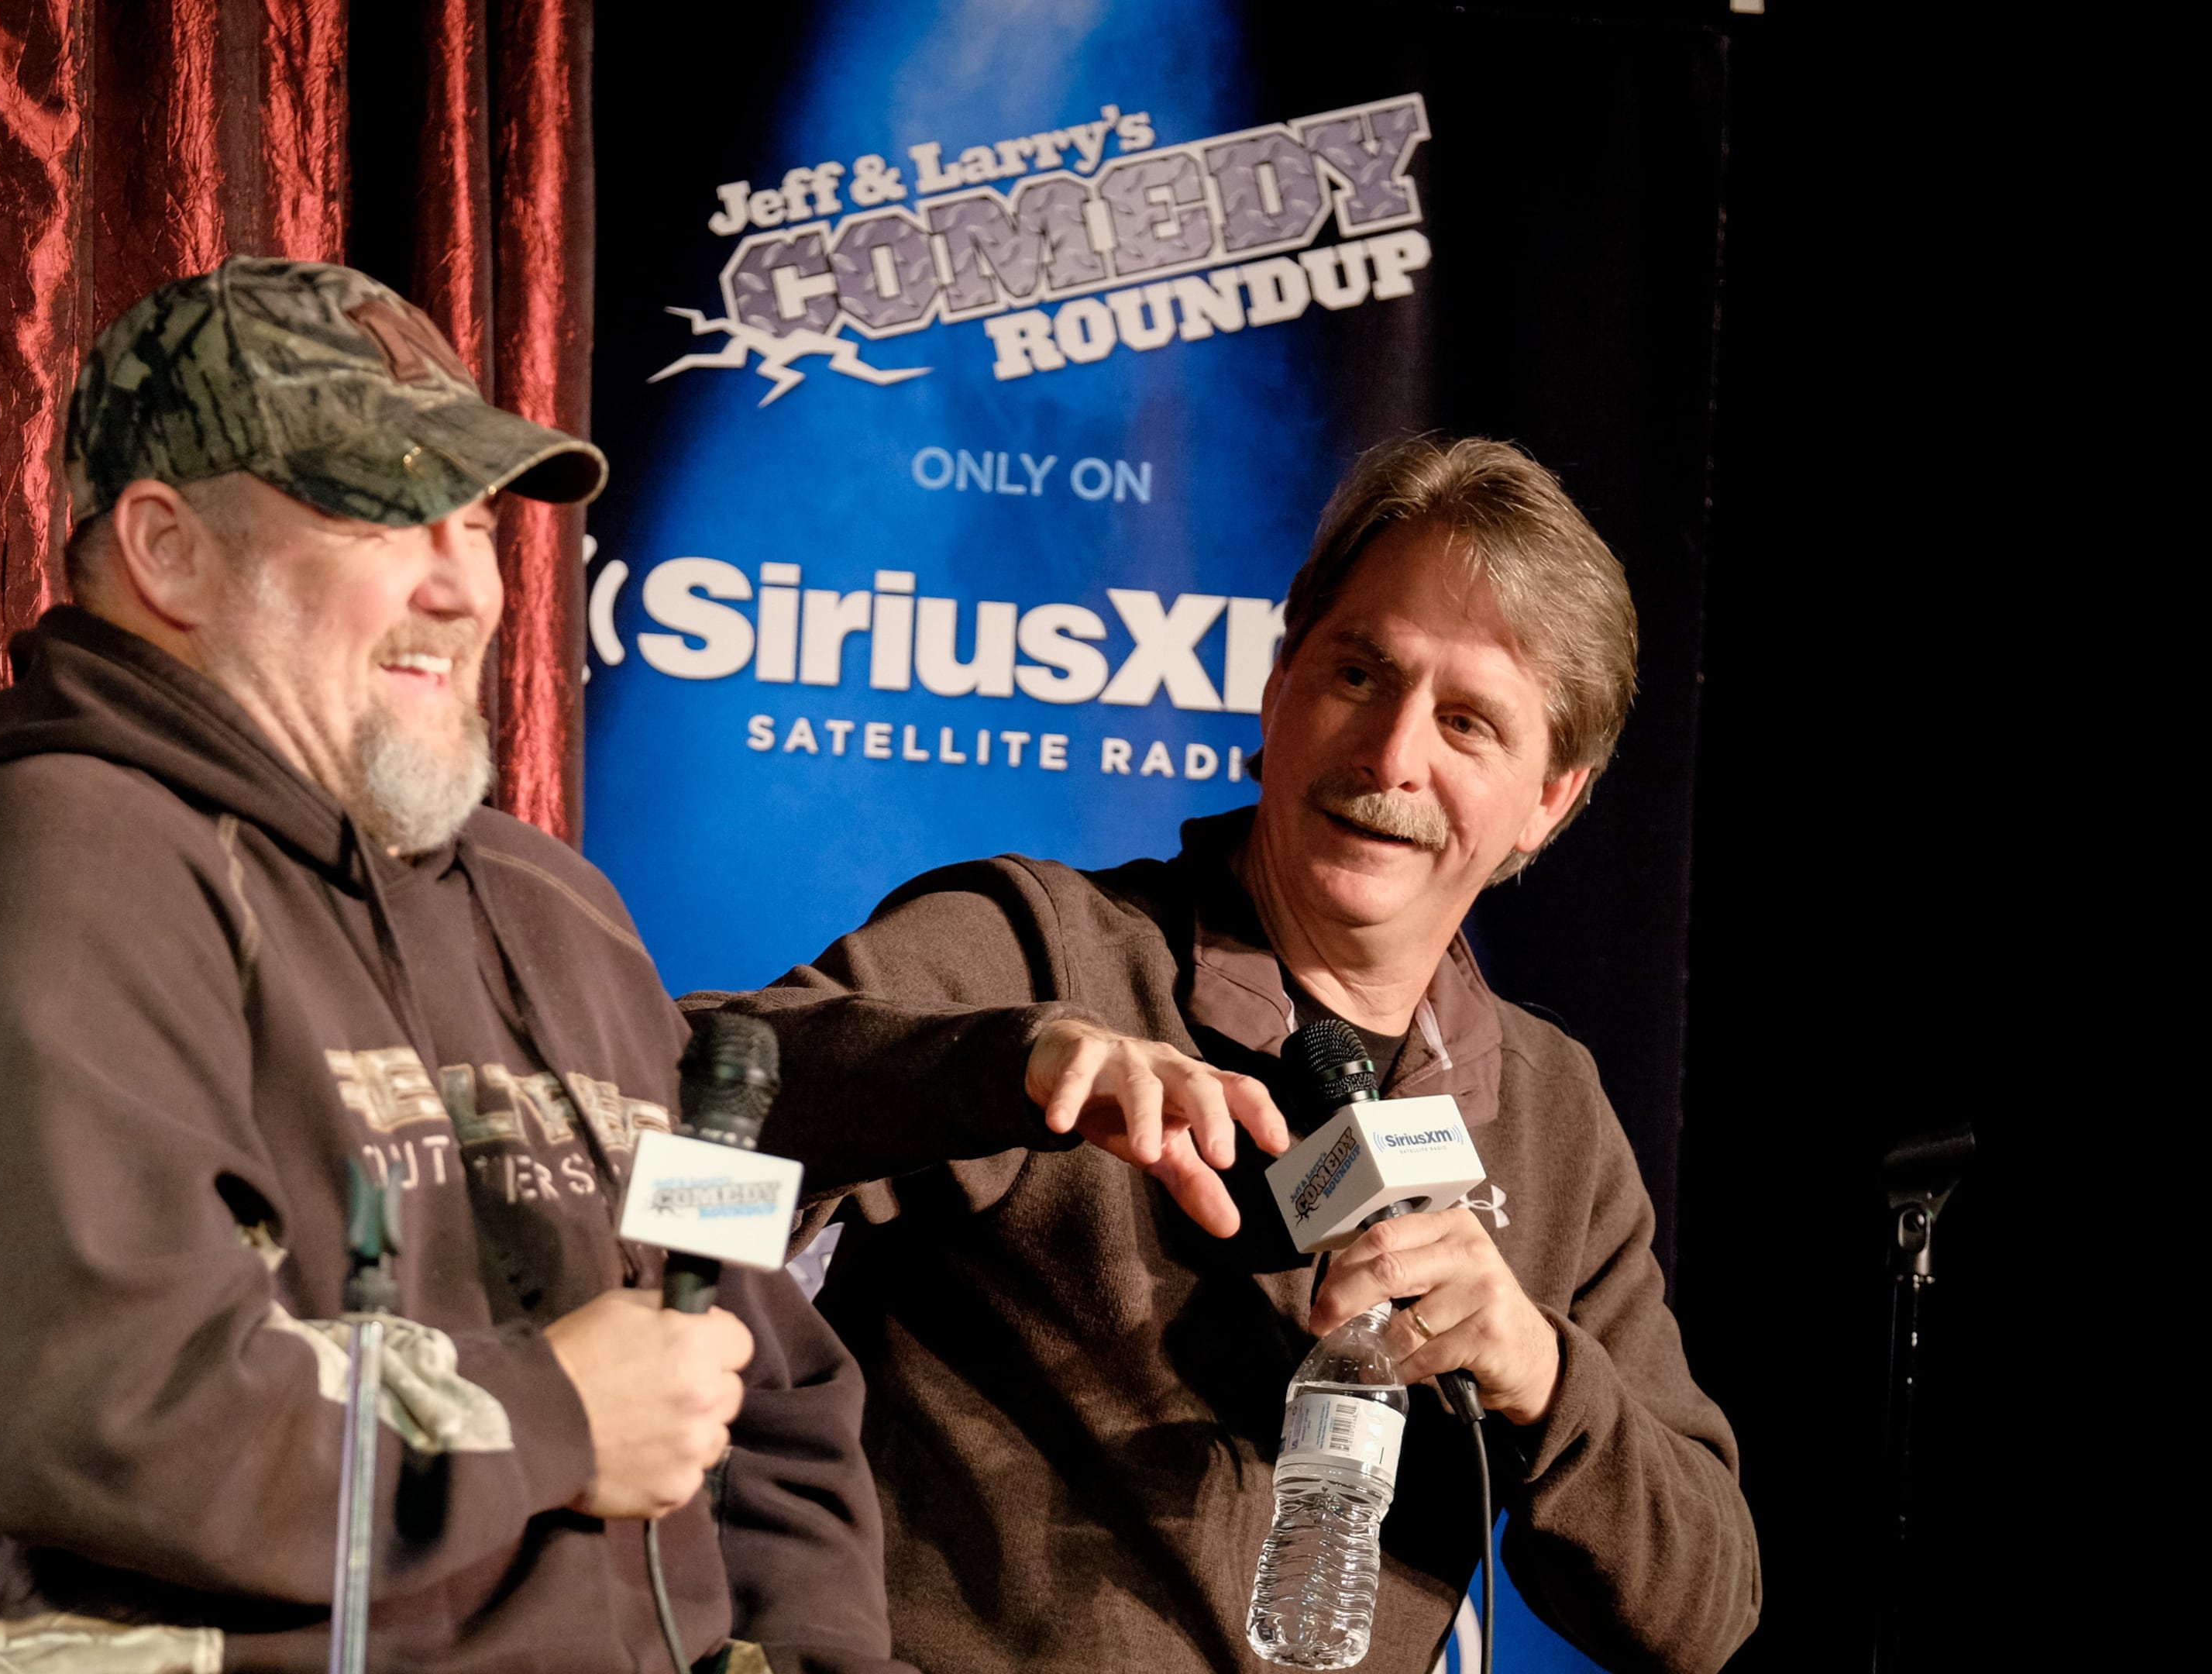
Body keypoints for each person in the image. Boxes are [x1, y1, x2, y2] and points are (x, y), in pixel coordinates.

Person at [0, 258, 903, 1674]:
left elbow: (773, 1368)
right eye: (386, 513)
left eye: (474, 520)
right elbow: (101, 1410)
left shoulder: (565, 912)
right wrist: (557, 1419)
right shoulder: (43, 868)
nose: (464, 587)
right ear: (167, 551)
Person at [690, 437, 1761, 1674]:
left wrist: (1537, 1368)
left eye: (1469, 723)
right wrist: (996, 1068)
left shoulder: (1550, 1103)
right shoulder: (1043, 951)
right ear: (1279, 683)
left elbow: (1704, 1611)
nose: (1393, 756)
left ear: (1551, 800)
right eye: (1360, 674)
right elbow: (651, 1108)